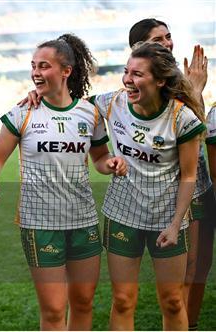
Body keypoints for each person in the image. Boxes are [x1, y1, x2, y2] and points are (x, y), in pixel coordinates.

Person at [0, 34, 126, 330]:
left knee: (84, 302)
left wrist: (109, 164)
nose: (35, 72)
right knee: (54, 309)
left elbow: (99, 158)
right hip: (40, 224)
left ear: (66, 71)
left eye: (44, 66)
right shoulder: (24, 112)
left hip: (83, 220)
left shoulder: (90, 113)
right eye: (33, 66)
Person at [88, 42, 205, 330]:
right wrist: (36, 96)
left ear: (160, 80)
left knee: (173, 300)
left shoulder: (182, 118)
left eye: (137, 74)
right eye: (126, 72)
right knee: (123, 299)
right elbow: (73, 105)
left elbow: (189, 176)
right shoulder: (113, 102)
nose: (128, 80)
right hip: (123, 215)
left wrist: (177, 223)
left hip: (167, 219)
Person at [129, 18, 212, 330]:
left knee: (198, 266)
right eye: (158, 39)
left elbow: (197, 130)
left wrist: (195, 89)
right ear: (139, 49)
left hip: (197, 183)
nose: (168, 43)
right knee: (176, 277)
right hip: (164, 192)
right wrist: (195, 90)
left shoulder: (178, 81)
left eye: (168, 37)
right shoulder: (143, 88)